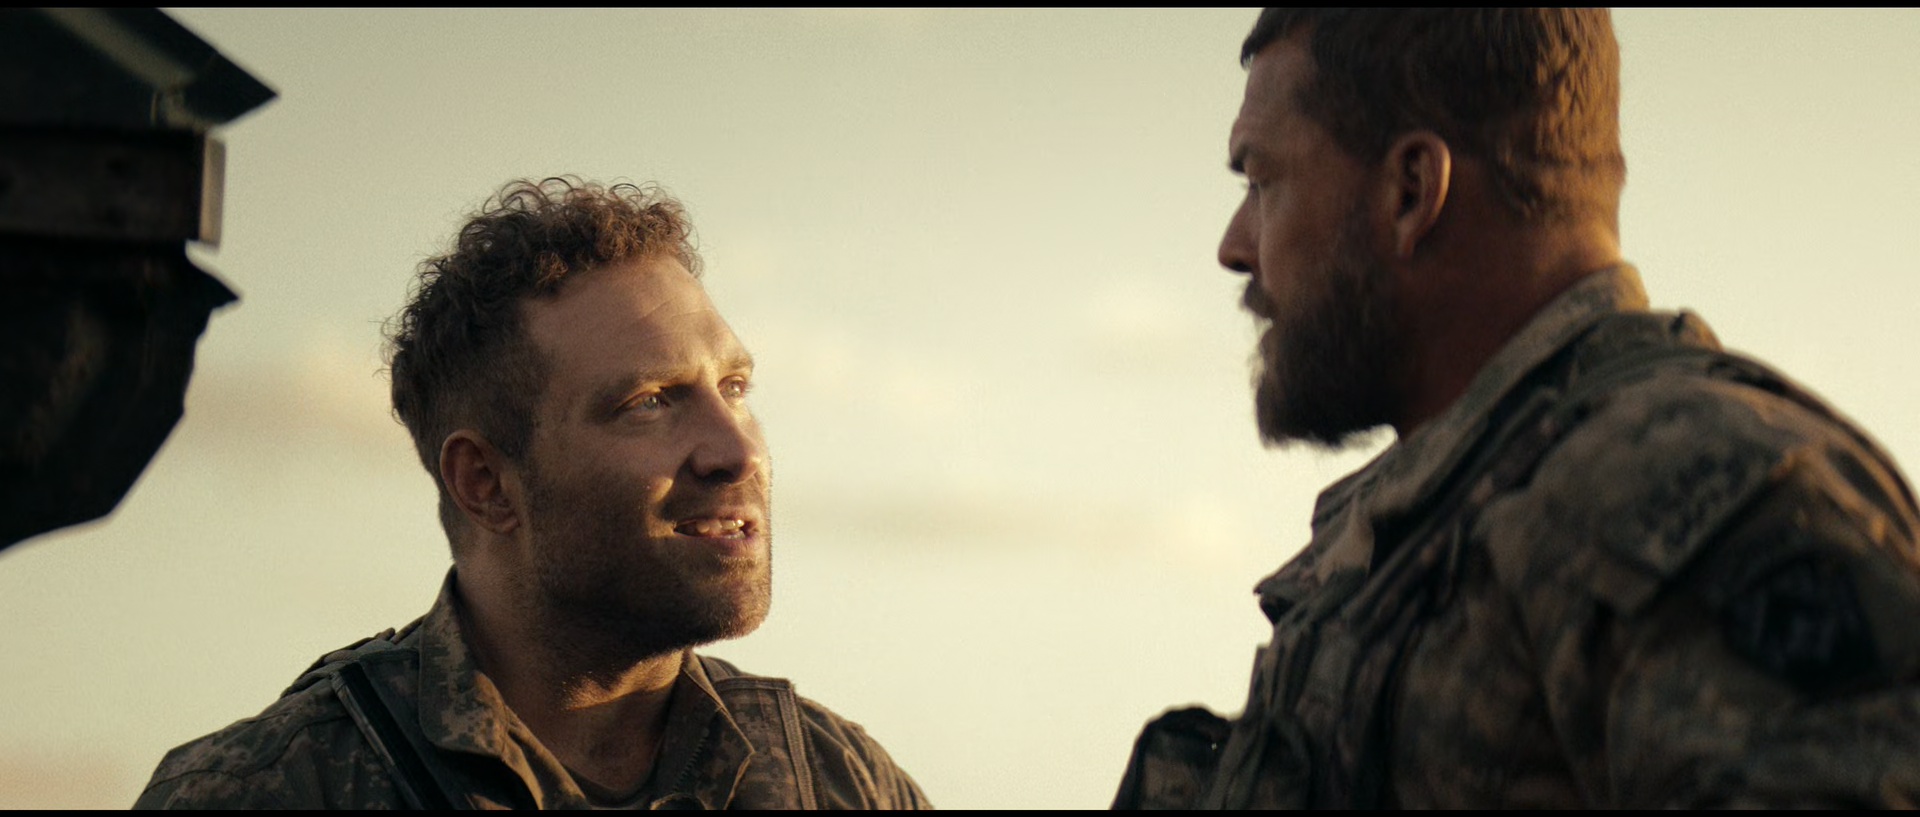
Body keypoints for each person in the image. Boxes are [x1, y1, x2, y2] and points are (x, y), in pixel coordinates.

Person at [1114, 8, 1920, 809]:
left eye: (1261, 182)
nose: (1235, 246)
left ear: (1410, 191)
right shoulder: (1424, 523)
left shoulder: (1689, 486)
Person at [134, 178, 929, 810]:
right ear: (485, 483)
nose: (737, 449)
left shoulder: (840, 782)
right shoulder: (274, 788)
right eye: (650, 401)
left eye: (734, 386)